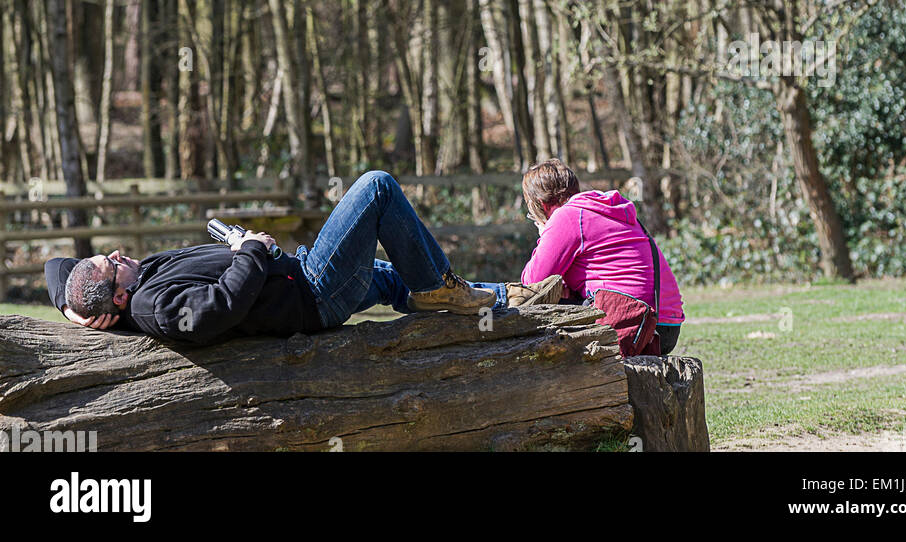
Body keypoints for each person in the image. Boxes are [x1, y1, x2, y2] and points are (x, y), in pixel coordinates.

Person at [46, 170, 562, 345]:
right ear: (118, 294)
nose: (118, 253)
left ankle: (517, 299)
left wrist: (72, 309)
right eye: (112, 263)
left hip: (300, 273)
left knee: (391, 279)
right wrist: (249, 249)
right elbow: (215, 312)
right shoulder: (151, 306)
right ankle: (438, 288)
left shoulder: (120, 289)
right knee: (375, 189)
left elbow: (56, 274)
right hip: (312, 294)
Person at [520, 159, 684, 354]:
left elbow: (532, 282)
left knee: (533, 314)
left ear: (540, 204)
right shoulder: (602, 208)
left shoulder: (568, 216)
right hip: (665, 324)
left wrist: (544, 234)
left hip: (637, 324)